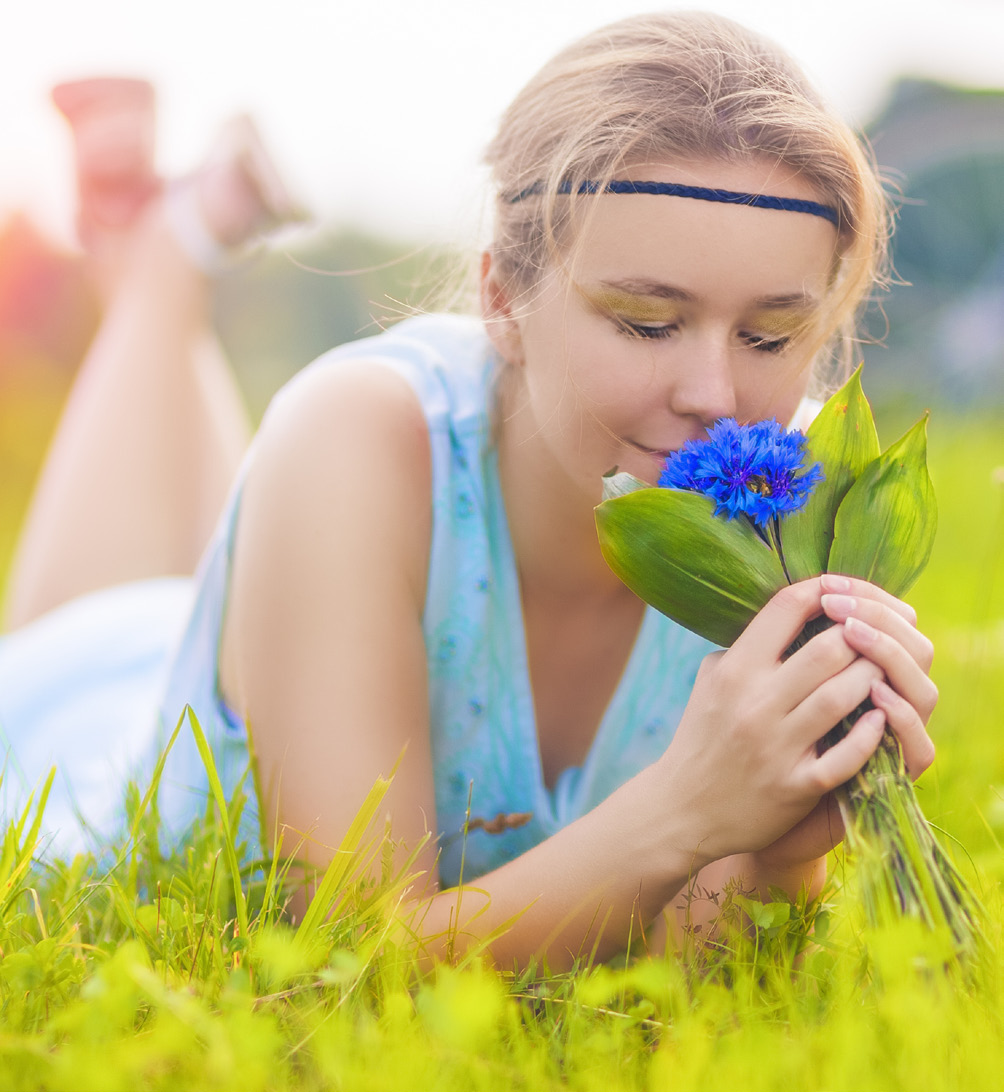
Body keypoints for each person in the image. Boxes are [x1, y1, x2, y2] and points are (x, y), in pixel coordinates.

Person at [0, 12, 937, 971]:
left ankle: (155, 238)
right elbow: (345, 964)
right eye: (649, 322)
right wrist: (688, 808)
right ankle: (161, 248)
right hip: (90, 710)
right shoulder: (357, 436)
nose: (715, 396)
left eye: (771, 336)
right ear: (499, 298)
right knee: (111, 591)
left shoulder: (794, 499)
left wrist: (786, 832)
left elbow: (685, 978)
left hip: (296, 610)